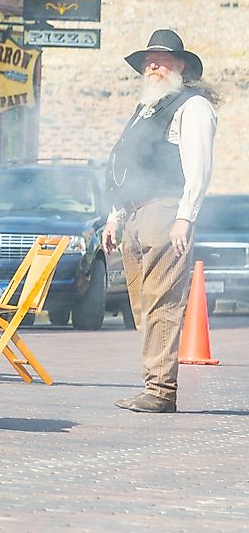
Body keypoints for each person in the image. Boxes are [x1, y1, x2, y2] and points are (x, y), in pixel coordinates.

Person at [102, 29, 218, 414]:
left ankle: (161, 390)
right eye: (148, 59)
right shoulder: (145, 109)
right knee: (142, 305)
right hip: (135, 212)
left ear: (180, 66)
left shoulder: (193, 106)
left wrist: (185, 217)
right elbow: (126, 166)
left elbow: (198, 167)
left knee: (163, 303)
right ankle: (155, 380)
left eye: (162, 58)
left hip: (165, 209)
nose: (152, 65)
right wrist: (115, 216)